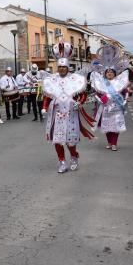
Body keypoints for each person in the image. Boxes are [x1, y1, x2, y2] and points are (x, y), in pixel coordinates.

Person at [42, 40, 94, 173]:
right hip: (57, 115)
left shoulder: (75, 78)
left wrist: (79, 103)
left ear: (68, 67)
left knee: (70, 141)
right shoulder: (52, 79)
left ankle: (74, 156)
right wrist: (44, 107)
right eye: (59, 67)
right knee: (58, 140)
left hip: (71, 114)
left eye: (64, 67)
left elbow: (82, 94)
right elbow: (48, 96)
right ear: (57, 67)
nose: (62, 69)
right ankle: (62, 162)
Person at [90, 45, 130, 151]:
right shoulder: (102, 83)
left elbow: (125, 92)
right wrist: (101, 99)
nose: (110, 73)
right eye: (108, 72)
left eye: (111, 72)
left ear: (114, 73)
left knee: (115, 127)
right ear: (105, 73)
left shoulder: (119, 82)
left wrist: (125, 100)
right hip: (106, 107)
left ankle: (114, 143)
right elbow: (96, 94)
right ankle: (109, 142)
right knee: (107, 127)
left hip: (116, 107)